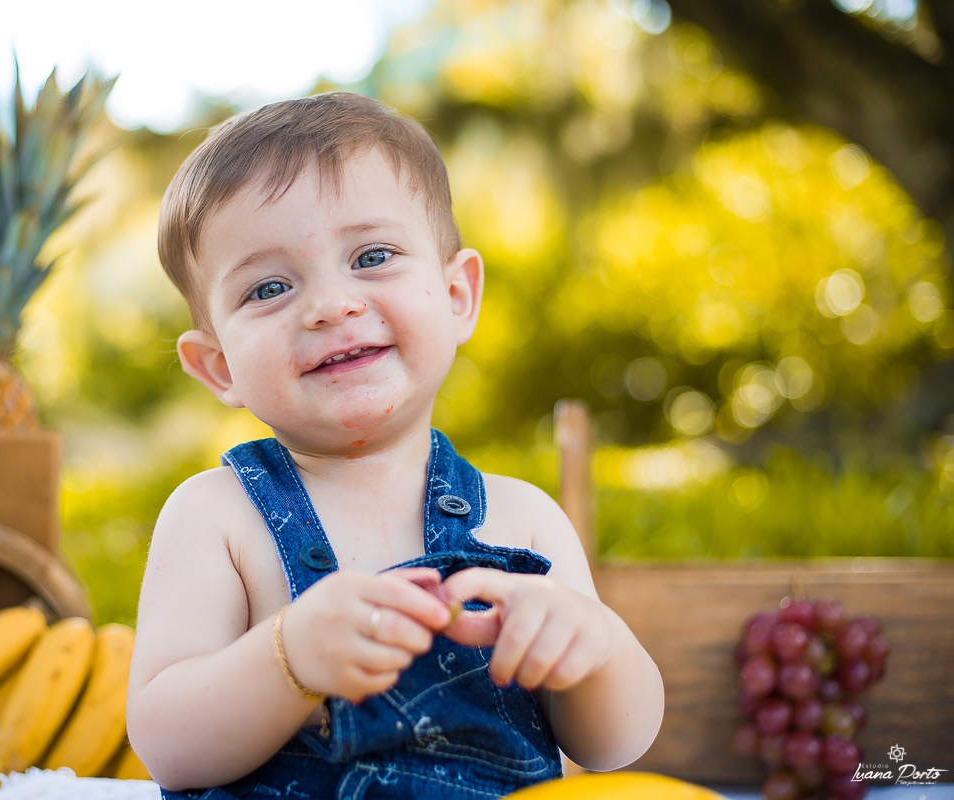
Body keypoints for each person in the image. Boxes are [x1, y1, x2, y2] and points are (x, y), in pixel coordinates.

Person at [127, 92, 664, 799]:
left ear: (455, 296)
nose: (330, 304)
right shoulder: (217, 518)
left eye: (371, 255)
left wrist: (588, 649)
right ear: (219, 366)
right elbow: (169, 749)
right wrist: (288, 659)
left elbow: (617, 741)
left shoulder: (522, 521)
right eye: (270, 287)